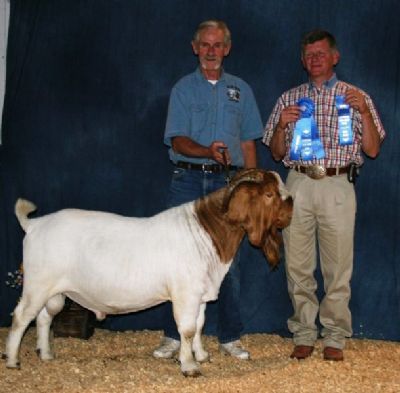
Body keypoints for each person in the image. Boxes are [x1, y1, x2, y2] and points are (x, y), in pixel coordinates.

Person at [263, 29, 385, 361]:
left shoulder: (356, 96)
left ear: (335, 57)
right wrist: (279, 128)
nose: (315, 59)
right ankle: (303, 331)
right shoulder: (288, 99)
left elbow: (372, 149)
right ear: (303, 61)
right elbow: (275, 153)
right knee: (298, 265)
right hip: (298, 183)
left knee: (338, 266)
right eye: (309, 55)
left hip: (338, 185)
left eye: (321, 53)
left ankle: (334, 335)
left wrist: (363, 114)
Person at [153, 20, 263, 360]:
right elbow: (178, 140)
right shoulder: (183, 89)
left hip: (228, 185)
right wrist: (206, 151)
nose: (211, 51)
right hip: (187, 180)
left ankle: (229, 336)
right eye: (205, 45)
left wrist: (252, 185)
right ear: (195, 48)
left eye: (218, 45)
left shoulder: (241, 90)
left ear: (227, 49)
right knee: (176, 259)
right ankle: (173, 335)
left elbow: (247, 142)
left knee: (230, 262)